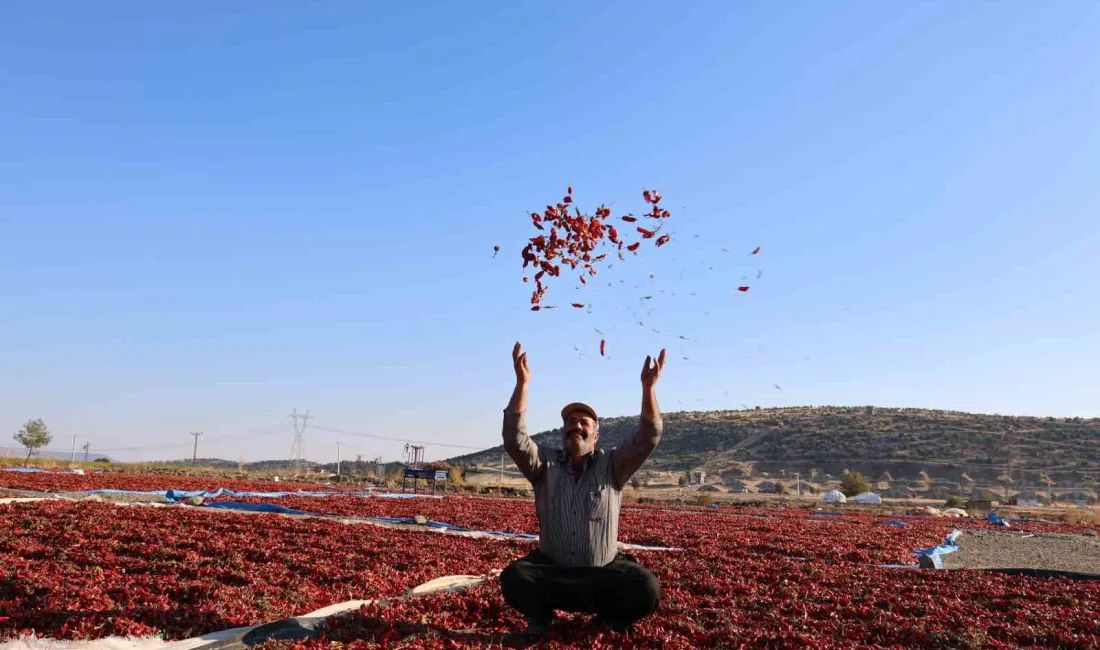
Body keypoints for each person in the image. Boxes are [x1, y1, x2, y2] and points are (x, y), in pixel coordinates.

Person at [499, 341, 666, 637]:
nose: (576, 427)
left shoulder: (613, 466)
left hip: (602, 574)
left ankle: (608, 618)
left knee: (646, 587)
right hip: (553, 572)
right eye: (570, 422)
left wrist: (648, 389)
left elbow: (648, 437)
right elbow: (514, 438)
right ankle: (541, 617)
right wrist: (522, 383)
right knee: (514, 577)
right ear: (563, 431)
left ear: (596, 435)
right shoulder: (543, 465)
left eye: (583, 422)